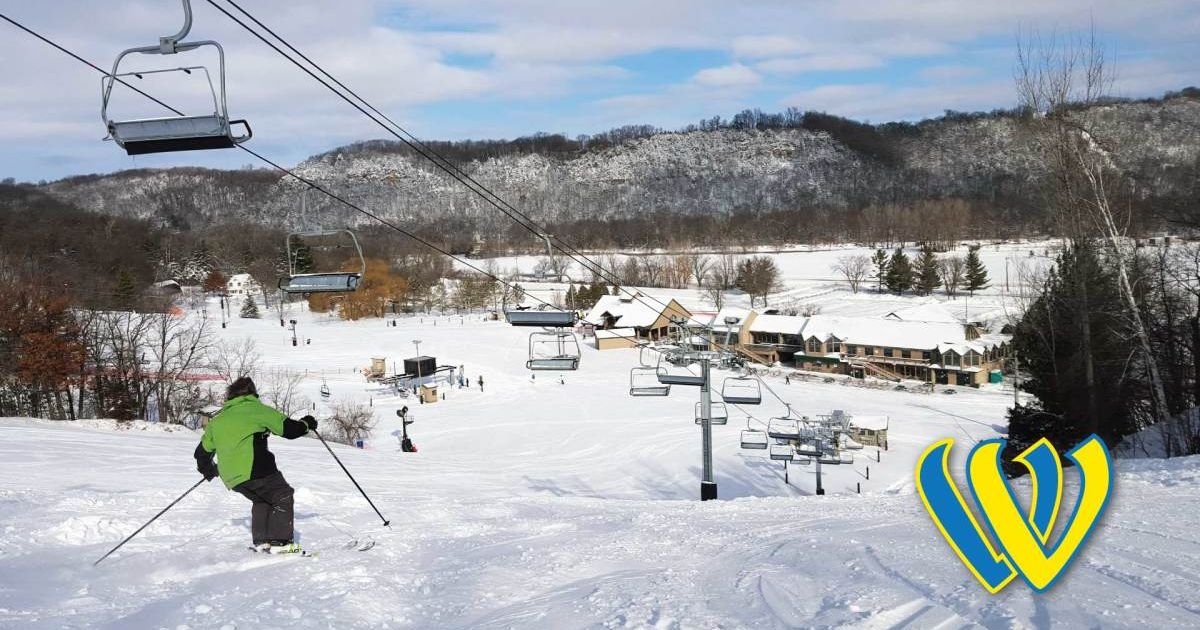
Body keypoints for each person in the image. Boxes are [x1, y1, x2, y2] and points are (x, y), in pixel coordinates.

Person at [194, 376, 317, 554]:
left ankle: (262, 542)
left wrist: (209, 470)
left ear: (230, 396)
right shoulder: (257, 410)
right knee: (282, 495)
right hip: (255, 469)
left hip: (232, 478)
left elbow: (201, 453)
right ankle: (281, 544)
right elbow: (289, 430)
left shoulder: (218, 420)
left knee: (262, 499)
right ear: (252, 392)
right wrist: (307, 424)